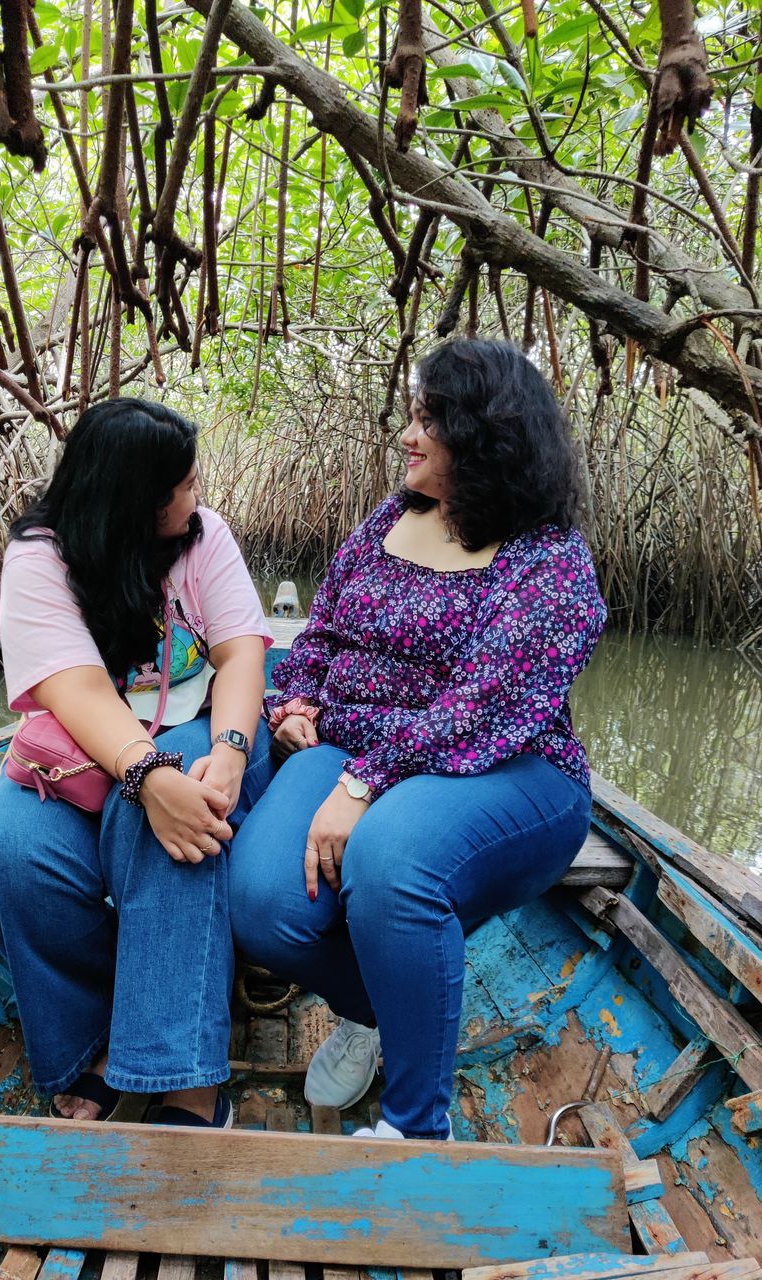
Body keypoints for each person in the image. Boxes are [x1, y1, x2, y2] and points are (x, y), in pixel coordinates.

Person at [229, 340, 607, 1141]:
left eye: (429, 418)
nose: (408, 433)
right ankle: (387, 1007)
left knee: (389, 861)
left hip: (508, 769)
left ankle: (414, 1126)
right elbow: (323, 629)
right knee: (261, 904)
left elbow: (480, 706)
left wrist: (363, 784)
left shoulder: (551, 561)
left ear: (482, 436)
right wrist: (297, 698)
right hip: (352, 745)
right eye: (412, 413)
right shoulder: (390, 520)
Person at [0, 398, 274, 1127]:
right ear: (134, 500)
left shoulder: (204, 537)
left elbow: (242, 653)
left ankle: (184, 1076)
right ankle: (96, 1033)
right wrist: (145, 774)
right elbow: (78, 689)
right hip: (82, 760)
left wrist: (227, 755)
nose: (198, 499)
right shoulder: (41, 557)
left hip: (202, 734)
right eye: (184, 487)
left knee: (177, 821)